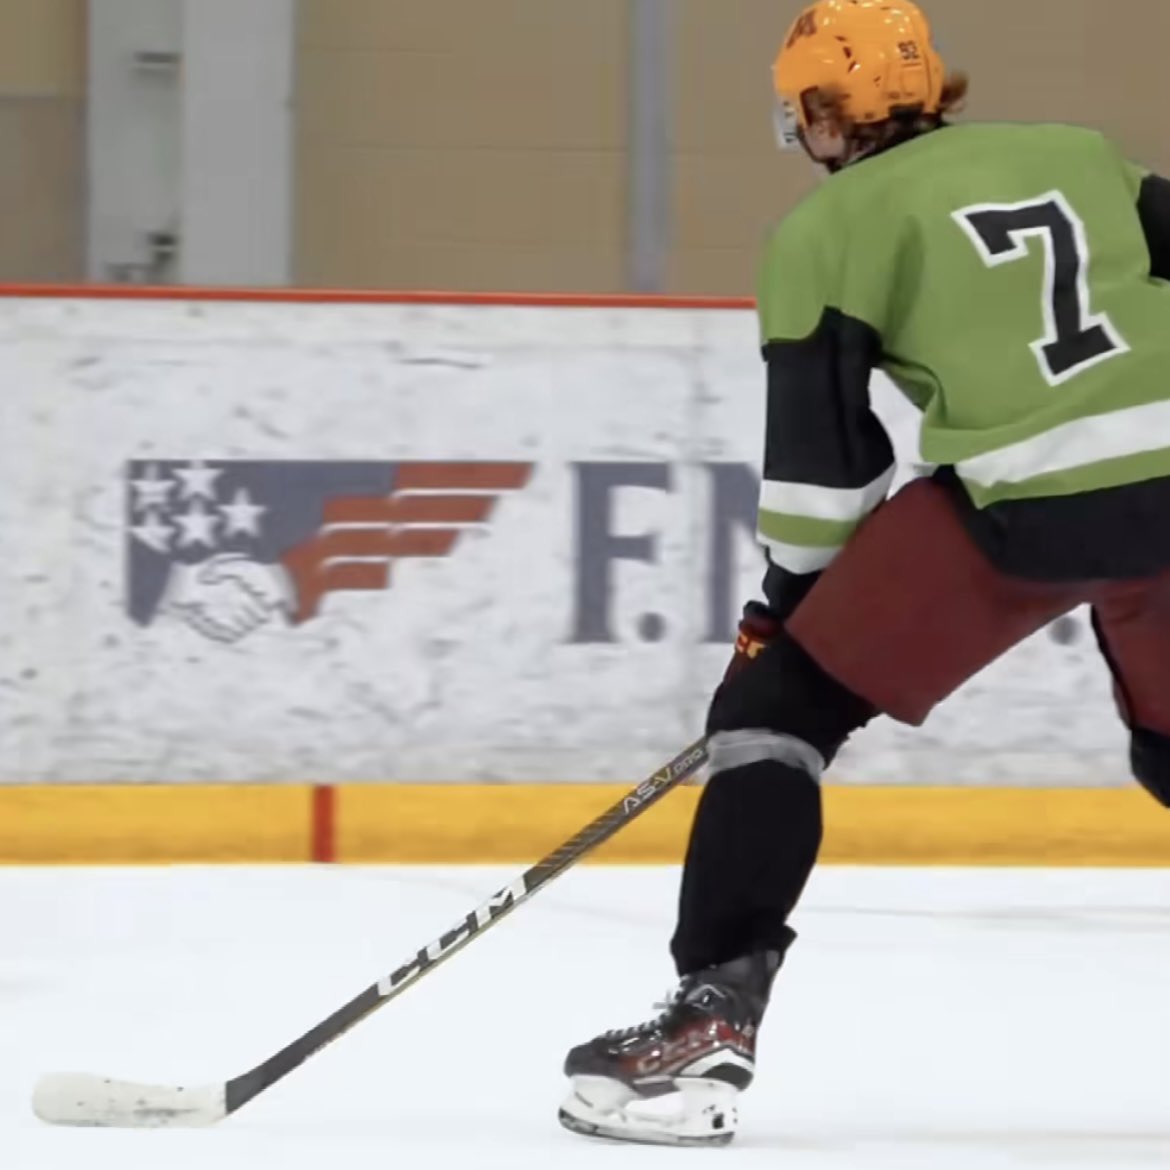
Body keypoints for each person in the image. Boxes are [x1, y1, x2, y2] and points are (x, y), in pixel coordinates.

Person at [558, 0, 1170, 1147]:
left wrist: (782, 614)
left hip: (1028, 504)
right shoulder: (1085, 155)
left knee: (776, 714)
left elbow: (826, 472)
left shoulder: (827, 229)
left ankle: (708, 1026)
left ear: (828, 115)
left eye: (805, 114)